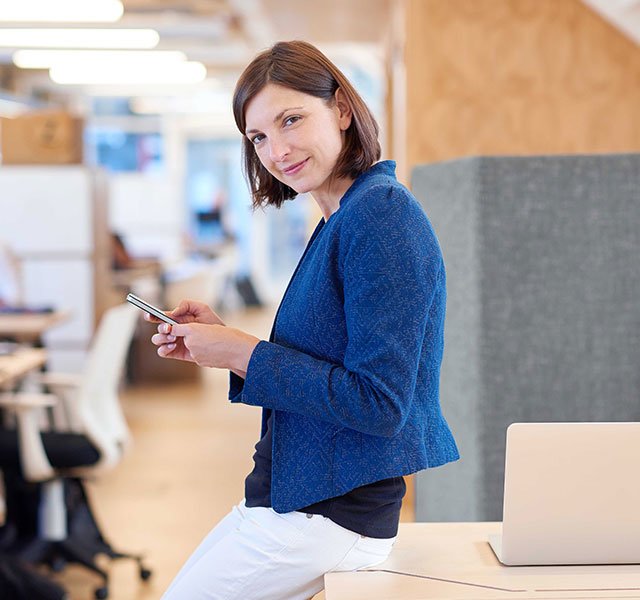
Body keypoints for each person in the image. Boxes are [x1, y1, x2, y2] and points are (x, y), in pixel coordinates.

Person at [148, 40, 459, 600]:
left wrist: (241, 351)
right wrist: (221, 340)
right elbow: (324, 357)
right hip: (292, 496)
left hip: (329, 512)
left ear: (341, 109)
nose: (277, 149)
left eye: (291, 120)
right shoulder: (343, 216)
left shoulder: (380, 215)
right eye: (259, 137)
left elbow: (379, 401)